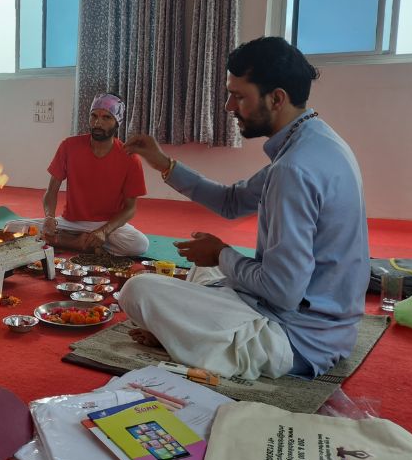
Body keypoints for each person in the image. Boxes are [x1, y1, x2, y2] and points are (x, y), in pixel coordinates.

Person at [120, 36, 369, 380]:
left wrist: (222, 254)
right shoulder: (316, 140)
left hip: (297, 336)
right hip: (327, 324)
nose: (228, 107)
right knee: (205, 274)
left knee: (139, 290)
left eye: (239, 96)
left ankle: (198, 341)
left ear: (276, 98)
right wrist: (162, 162)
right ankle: (191, 334)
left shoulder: (292, 170)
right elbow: (233, 202)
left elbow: (283, 292)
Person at [9, 93, 148, 256]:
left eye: (106, 118)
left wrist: (104, 231)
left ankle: (65, 241)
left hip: (108, 224)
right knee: (12, 227)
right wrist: (49, 218)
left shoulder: (130, 158)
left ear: (117, 123)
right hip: (69, 223)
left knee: (139, 245)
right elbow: (51, 191)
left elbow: (130, 208)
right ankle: (81, 243)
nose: (98, 123)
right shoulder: (69, 146)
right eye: (94, 116)